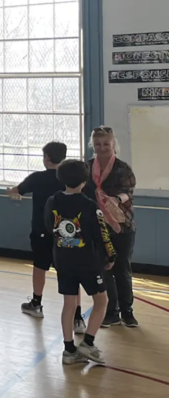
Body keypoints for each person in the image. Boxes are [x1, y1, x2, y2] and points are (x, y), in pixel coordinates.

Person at [47, 160, 115, 365]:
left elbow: (49, 226)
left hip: (62, 260)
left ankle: (69, 350)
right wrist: (110, 256)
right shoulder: (90, 205)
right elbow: (102, 234)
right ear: (85, 180)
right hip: (87, 262)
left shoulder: (52, 201)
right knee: (101, 301)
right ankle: (88, 342)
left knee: (69, 304)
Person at [5, 142, 72, 325]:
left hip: (42, 230)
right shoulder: (69, 179)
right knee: (68, 270)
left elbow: (17, 190)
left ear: (47, 158)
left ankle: (36, 304)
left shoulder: (37, 178)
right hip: (66, 232)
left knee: (40, 266)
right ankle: (76, 315)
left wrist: (9, 191)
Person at [84, 126, 138, 328]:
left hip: (121, 226)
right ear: (93, 145)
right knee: (103, 270)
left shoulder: (123, 168)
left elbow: (128, 192)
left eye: (106, 143)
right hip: (97, 227)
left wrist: (115, 199)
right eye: (97, 144)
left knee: (122, 270)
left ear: (114, 144)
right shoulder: (87, 167)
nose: (102, 147)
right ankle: (111, 312)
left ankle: (127, 312)